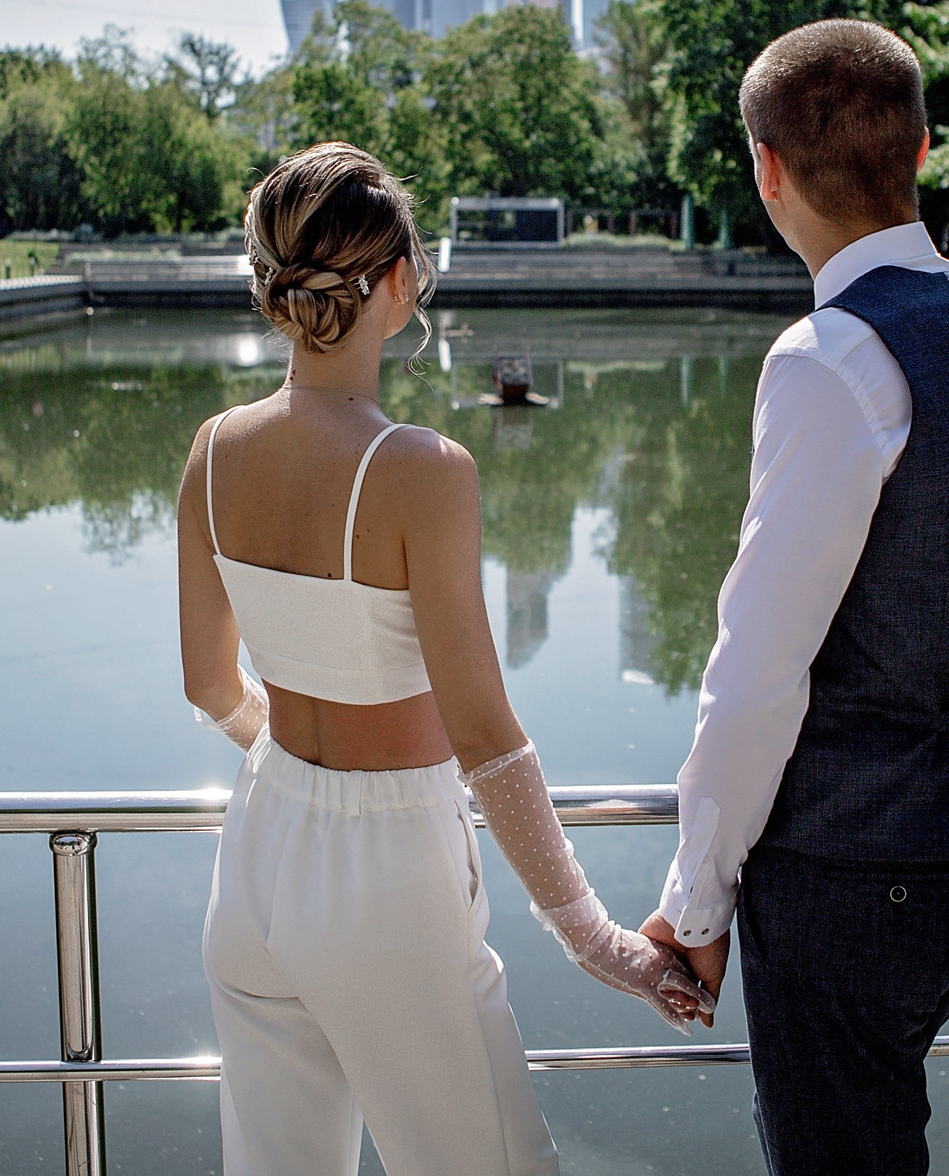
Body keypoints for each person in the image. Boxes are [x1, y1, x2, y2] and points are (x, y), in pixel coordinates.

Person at [180, 141, 711, 1176]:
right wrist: (594, 938)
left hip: (254, 859)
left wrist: (297, 768)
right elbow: (484, 737)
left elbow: (209, 685)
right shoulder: (423, 469)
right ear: (396, 282)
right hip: (388, 884)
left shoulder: (213, 450)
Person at [641, 21, 949, 1176]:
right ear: (921, 152)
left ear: (768, 171)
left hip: (848, 875)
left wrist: (698, 897)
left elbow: (756, 672)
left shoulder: (829, 357)